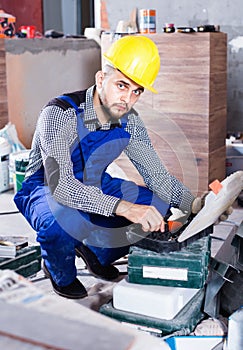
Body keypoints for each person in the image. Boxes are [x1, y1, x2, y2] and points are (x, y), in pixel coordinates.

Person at [13, 35, 226, 299]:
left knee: (156, 205)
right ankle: (58, 271)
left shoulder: (130, 122)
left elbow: (157, 177)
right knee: (61, 220)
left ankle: (98, 253)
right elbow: (63, 188)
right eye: (121, 85)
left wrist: (195, 205)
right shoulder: (59, 114)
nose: (127, 98)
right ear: (101, 79)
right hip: (47, 187)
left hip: (96, 182)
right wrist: (124, 207)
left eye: (136, 91)